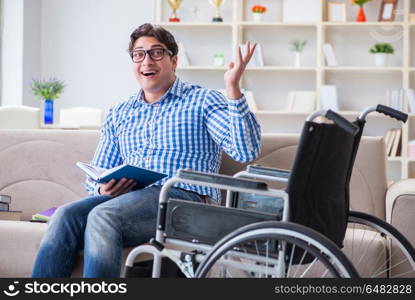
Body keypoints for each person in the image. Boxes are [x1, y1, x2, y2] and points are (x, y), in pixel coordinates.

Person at [32, 23, 261, 278]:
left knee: (102, 216)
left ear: (174, 61)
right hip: (128, 201)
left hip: (185, 202)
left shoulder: (204, 100)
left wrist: (233, 90)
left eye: (156, 53)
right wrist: (102, 187)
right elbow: (97, 173)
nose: (146, 61)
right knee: (64, 216)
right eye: (138, 54)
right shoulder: (119, 113)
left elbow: (245, 151)